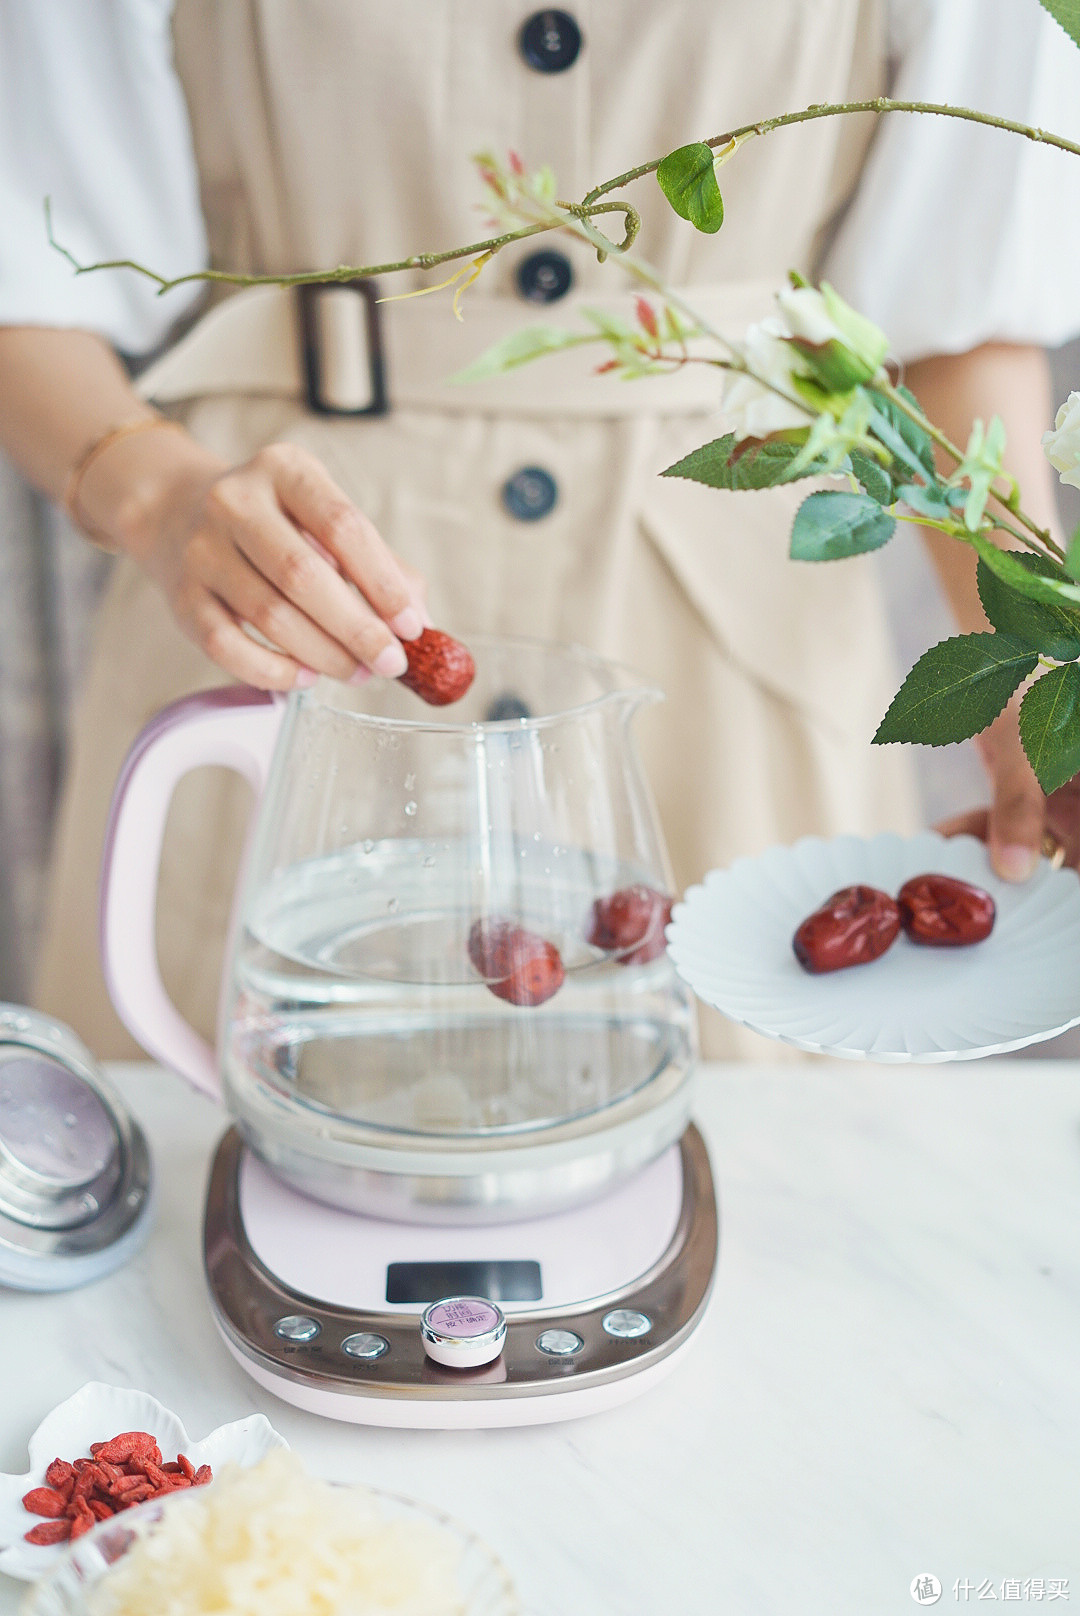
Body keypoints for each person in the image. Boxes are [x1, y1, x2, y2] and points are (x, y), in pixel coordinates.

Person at [0, 0, 1078, 1059]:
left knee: (766, 1181)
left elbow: (964, 309)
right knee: (227, 1174)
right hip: (287, 602)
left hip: (733, 655)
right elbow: (28, 261)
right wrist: (159, 494)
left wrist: (1037, 664)